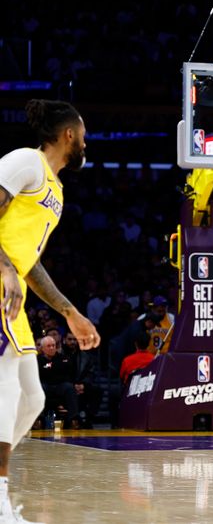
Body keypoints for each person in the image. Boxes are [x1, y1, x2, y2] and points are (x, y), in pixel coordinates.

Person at [0, 99, 100, 523]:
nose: (86, 143)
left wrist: (69, 312)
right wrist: (4, 268)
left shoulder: (54, 189)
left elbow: (32, 263)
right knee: (7, 387)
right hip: (0, 283)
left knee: (34, 397)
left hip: (12, 293)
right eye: (84, 136)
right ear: (68, 135)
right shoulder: (26, 161)